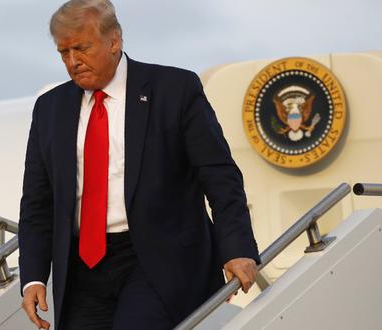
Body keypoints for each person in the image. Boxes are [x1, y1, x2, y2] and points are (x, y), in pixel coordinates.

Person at [18, 0, 260, 329]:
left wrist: (237, 248)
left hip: (156, 259)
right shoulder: (50, 109)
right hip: (82, 270)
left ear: (114, 41)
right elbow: (37, 201)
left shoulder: (174, 90)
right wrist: (33, 277)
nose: (73, 62)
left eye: (82, 48)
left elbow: (219, 175)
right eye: (64, 53)